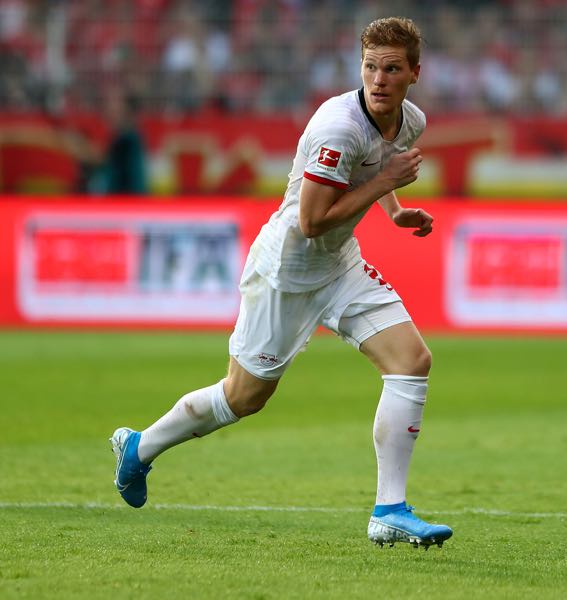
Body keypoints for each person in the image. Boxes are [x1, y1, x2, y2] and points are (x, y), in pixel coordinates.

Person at [110, 16, 453, 549]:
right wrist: (386, 183)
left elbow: (376, 167)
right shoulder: (337, 129)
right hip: (287, 273)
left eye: (391, 69)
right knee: (242, 399)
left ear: (414, 73)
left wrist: (395, 210)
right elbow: (312, 222)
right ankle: (141, 447)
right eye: (369, 67)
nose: (379, 79)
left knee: (412, 361)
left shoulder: (410, 121)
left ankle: (390, 509)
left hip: (339, 266)